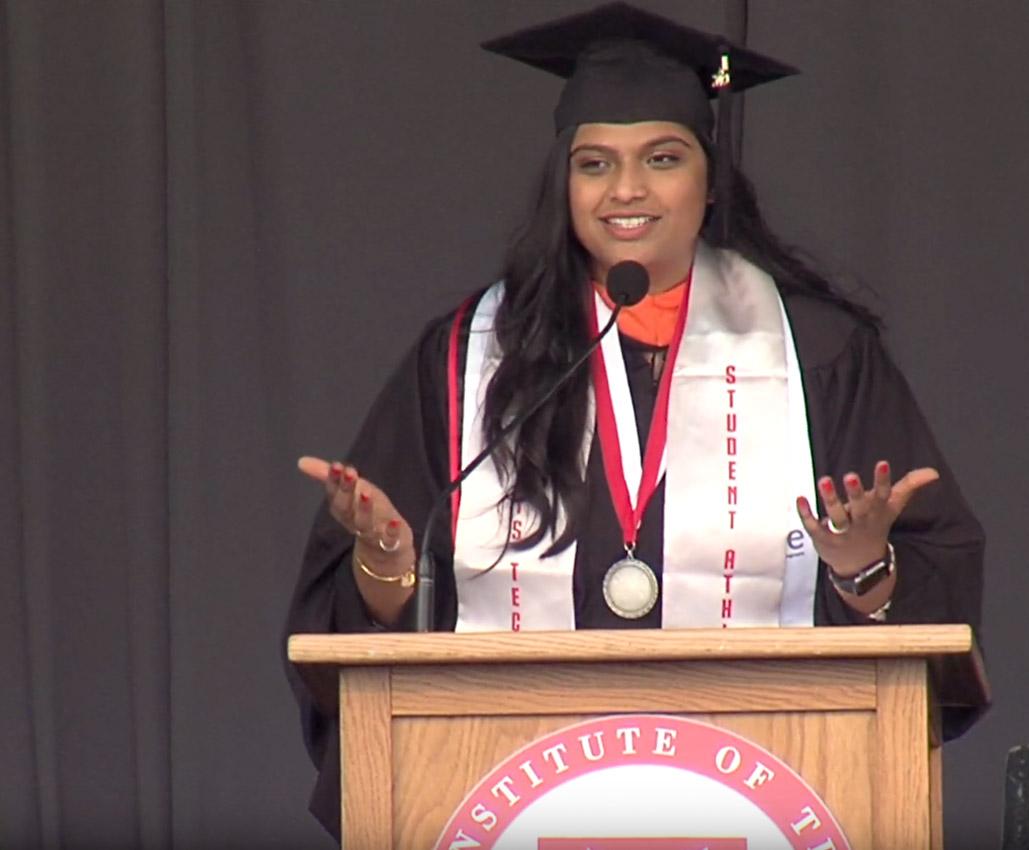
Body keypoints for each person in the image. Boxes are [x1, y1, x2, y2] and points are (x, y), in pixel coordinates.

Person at [284, 2, 986, 840]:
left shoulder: (817, 356)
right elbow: (358, 638)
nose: (626, 190)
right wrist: (388, 569)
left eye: (662, 157)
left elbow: (928, 627)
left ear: (710, 177)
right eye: (595, 163)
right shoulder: (467, 359)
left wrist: (863, 572)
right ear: (564, 182)